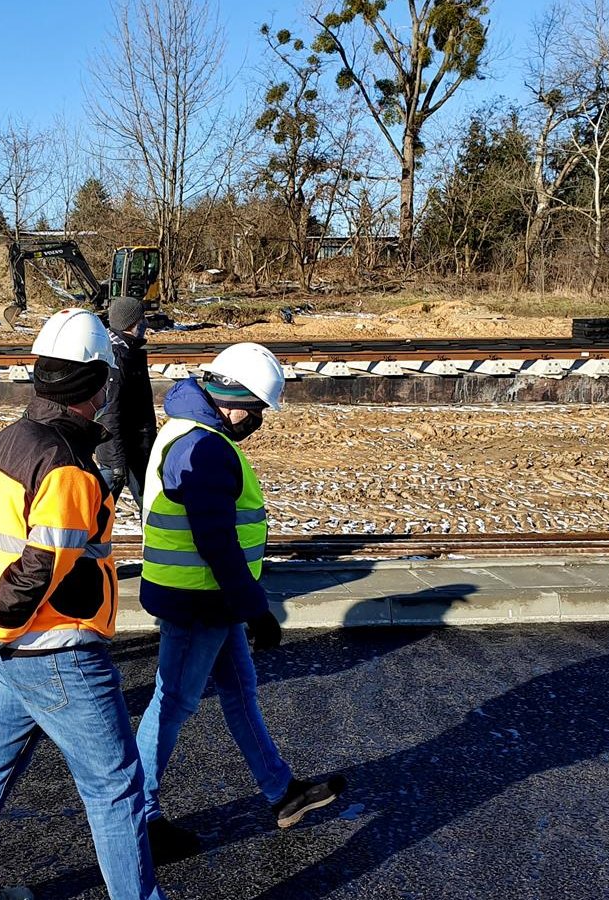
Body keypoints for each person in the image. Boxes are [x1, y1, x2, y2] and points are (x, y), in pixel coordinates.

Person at [0, 309, 166, 900]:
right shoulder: (68, 465)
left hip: (16, 650)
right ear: (99, 385)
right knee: (116, 787)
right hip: (57, 647)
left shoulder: (6, 443)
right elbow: (41, 566)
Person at [133, 342, 345, 861]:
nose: (259, 422)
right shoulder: (202, 447)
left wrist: (244, 603)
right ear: (232, 396)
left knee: (240, 691)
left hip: (212, 599)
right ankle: (137, 817)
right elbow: (216, 541)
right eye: (256, 411)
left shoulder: (193, 431)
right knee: (173, 704)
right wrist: (255, 606)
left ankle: (284, 792)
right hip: (198, 600)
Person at [97, 295, 156, 506]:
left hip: (134, 448)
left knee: (151, 506)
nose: (146, 323)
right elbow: (109, 413)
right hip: (123, 452)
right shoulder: (117, 359)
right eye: (142, 319)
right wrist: (115, 462)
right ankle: (87, 539)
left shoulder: (127, 352)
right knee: (99, 511)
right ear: (130, 324)